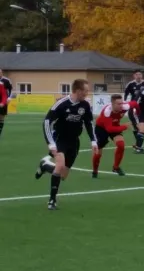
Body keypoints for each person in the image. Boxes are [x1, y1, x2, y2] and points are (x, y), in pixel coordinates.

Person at [34, 79, 98, 210]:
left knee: (63, 175)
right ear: (78, 91)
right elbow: (47, 122)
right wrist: (51, 143)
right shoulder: (61, 104)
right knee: (60, 166)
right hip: (59, 139)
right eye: (85, 91)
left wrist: (93, 140)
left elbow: (89, 123)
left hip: (74, 141)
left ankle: (45, 166)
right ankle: (52, 201)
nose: (87, 93)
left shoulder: (85, 105)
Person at [92, 94, 140, 178]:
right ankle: (95, 171)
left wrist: (137, 116)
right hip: (101, 129)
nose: (121, 105)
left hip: (115, 126)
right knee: (98, 153)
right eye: (119, 104)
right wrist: (125, 126)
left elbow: (135, 104)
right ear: (112, 104)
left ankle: (116, 167)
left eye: (122, 103)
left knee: (121, 145)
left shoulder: (125, 106)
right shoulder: (107, 112)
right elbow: (109, 129)